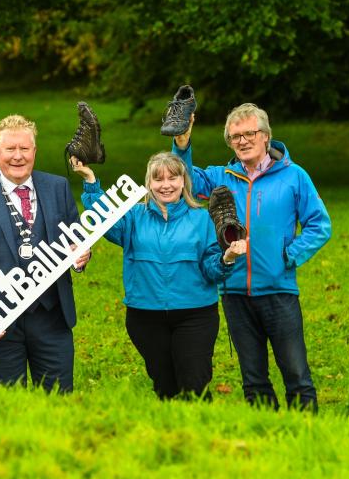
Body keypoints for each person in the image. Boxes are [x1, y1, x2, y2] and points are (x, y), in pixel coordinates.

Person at [172, 103, 331, 411]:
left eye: (249, 134)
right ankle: (262, 435)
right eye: (235, 137)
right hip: (234, 293)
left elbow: (319, 225)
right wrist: (181, 144)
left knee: (296, 372)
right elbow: (183, 179)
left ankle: (309, 436)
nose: (242, 141)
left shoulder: (294, 176)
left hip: (278, 291)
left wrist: (288, 256)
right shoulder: (222, 176)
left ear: (266, 136)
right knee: (253, 377)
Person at [72, 152, 246, 400]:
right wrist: (90, 181)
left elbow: (211, 269)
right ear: (148, 183)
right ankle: (170, 434)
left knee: (195, 385)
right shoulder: (133, 217)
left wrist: (226, 258)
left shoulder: (201, 218)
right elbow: (103, 217)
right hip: (145, 316)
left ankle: (201, 431)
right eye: (158, 179)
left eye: (172, 178)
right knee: (165, 386)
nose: (166, 185)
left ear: (183, 181)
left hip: (194, 315)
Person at [0, 115, 91, 393]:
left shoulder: (58, 188)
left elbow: (76, 240)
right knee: (10, 405)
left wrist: (81, 256)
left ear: (34, 151)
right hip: (1, 321)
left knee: (59, 399)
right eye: (10, 149)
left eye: (24, 149)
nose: (17, 156)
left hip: (52, 316)